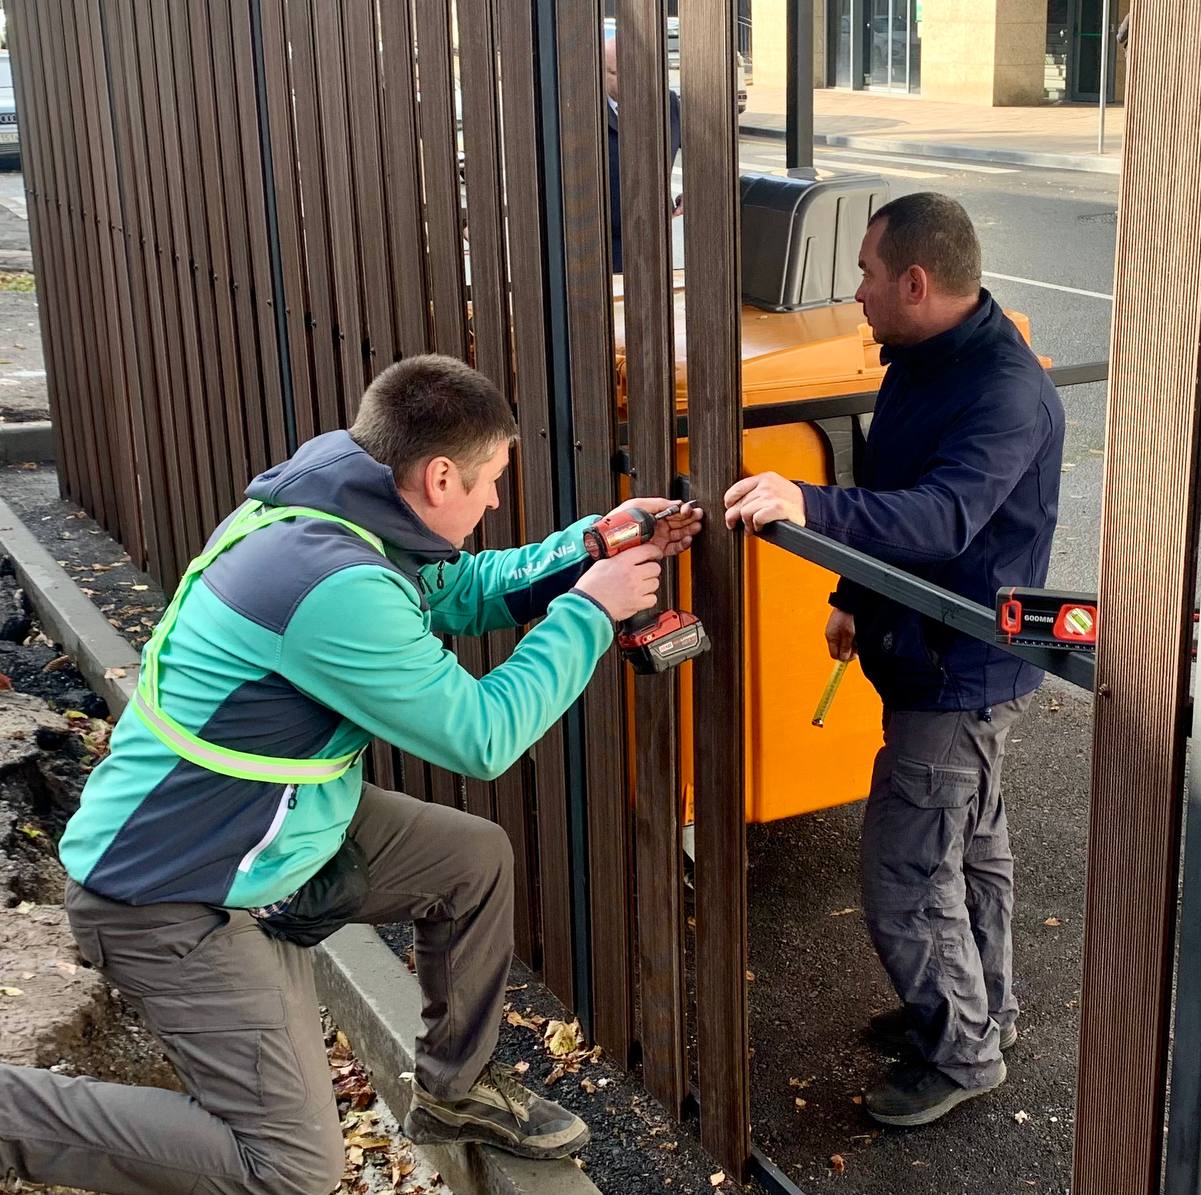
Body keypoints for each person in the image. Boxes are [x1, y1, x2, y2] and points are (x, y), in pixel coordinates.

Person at [0, 354, 702, 1195]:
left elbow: (459, 589)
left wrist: (588, 546)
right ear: (439, 475)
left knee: (470, 859)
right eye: (489, 483)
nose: (492, 503)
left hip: (265, 826)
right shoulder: (330, 584)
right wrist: (590, 609)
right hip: (171, 892)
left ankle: (456, 1092)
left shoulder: (339, 509)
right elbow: (483, 735)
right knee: (291, 1170)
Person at [723, 193, 1065, 1127]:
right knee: (970, 847)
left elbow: (941, 516)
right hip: (924, 642)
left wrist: (806, 506)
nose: (859, 292)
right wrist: (850, 596)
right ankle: (977, 1007)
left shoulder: (1001, 390)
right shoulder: (925, 355)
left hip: (961, 669)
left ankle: (959, 1049)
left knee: (908, 871)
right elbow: (893, 487)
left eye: (869, 273)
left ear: (917, 282)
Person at [603, 29, 682, 274]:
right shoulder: (581, 110)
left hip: (656, 237)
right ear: (600, 72)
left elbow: (706, 153)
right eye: (616, 73)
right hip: (602, 243)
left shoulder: (666, 103)